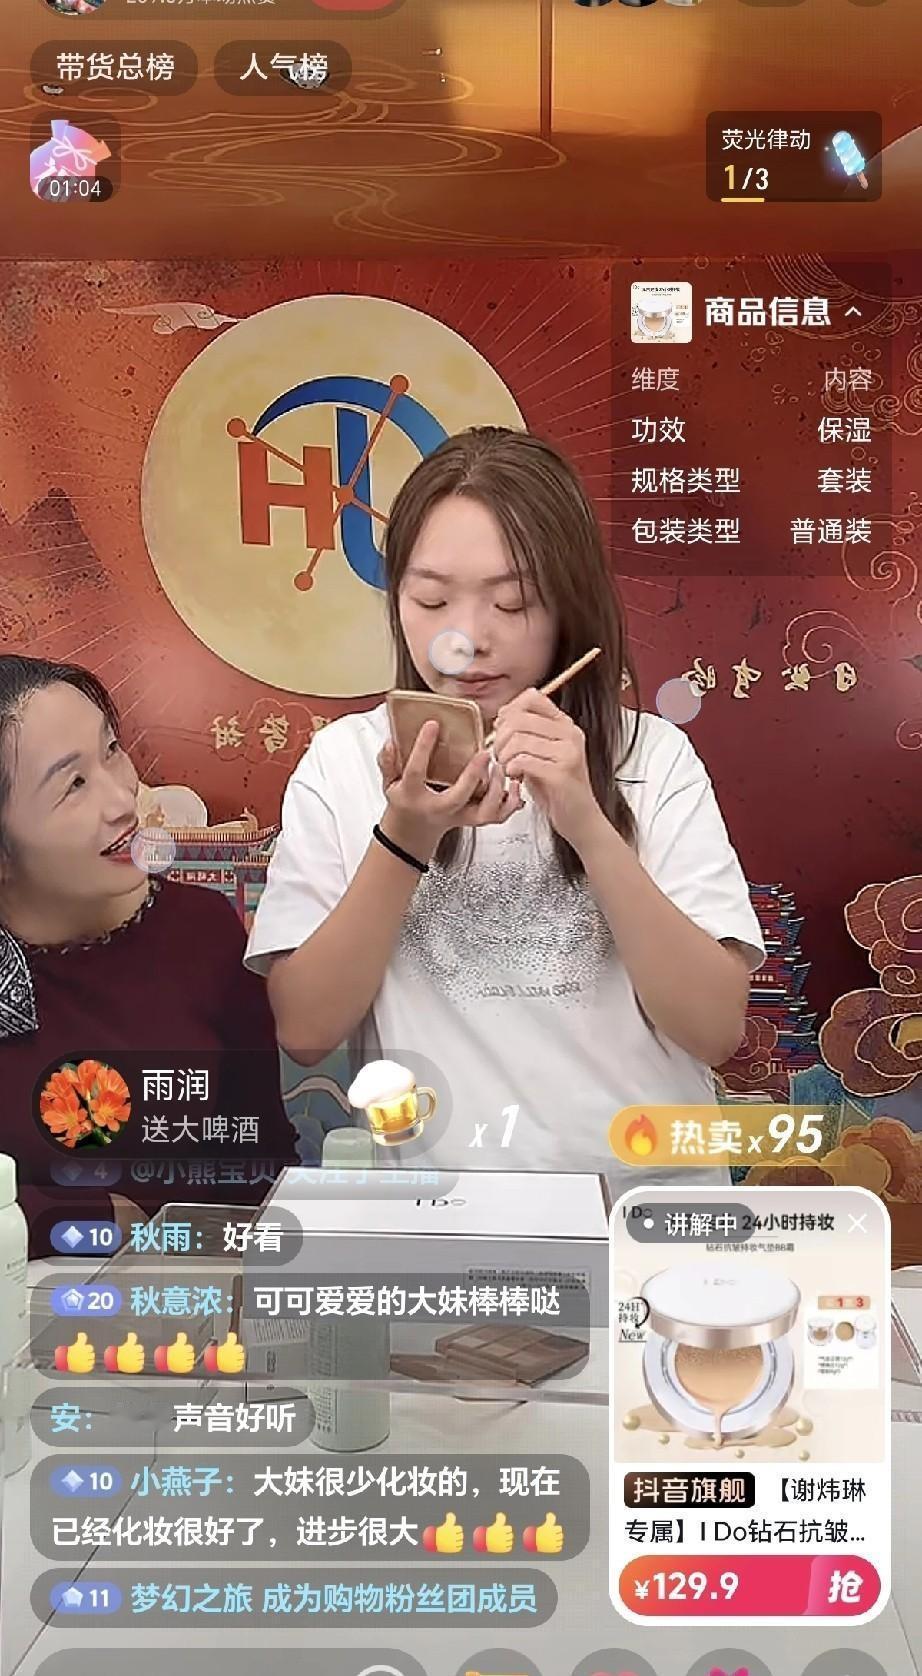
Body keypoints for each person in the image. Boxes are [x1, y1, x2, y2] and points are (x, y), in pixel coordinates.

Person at [246, 427, 765, 1191]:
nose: (467, 640)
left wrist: (587, 822)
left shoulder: (651, 758)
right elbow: (306, 1029)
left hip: (648, 1212)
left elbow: (715, 1029)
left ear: (570, 604)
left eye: (513, 601)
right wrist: (406, 835)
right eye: (431, 599)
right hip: (443, 1217)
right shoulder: (344, 764)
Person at [0, 656, 297, 1254]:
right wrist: (86, 1216)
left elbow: (261, 1166)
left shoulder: (203, 932)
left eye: (111, 751)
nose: (123, 798)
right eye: (73, 785)